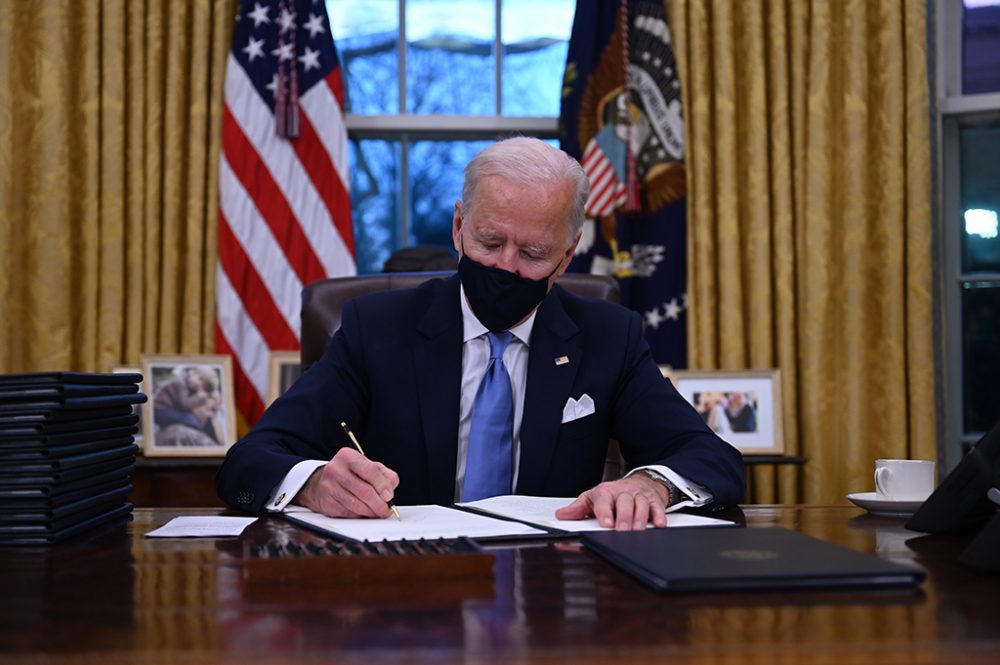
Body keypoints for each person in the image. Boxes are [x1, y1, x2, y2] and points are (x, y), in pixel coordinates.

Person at [216, 137, 745, 531]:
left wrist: (648, 483)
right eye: (489, 242)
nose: (506, 267)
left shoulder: (610, 336)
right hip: (406, 588)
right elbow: (252, 458)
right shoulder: (376, 329)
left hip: (554, 591)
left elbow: (711, 458)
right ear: (458, 227)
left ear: (567, 254)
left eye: (533, 253)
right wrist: (313, 484)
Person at [153, 366, 224, 447]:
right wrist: (199, 396)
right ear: (192, 373)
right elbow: (185, 405)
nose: (199, 385)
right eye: (199, 379)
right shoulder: (180, 384)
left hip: (165, 411)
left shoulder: (186, 386)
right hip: (161, 410)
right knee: (189, 419)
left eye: (203, 385)